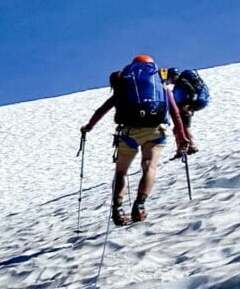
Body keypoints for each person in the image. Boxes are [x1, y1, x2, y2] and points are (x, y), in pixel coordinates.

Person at [79, 55, 195, 225]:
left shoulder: (126, 85)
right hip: (156, 131)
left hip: (129, 132)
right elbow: (175, 113)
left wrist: (89, 127)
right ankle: (139, 208)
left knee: (121, 172)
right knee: (149, 167)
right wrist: (182, 136)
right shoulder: (161, 85)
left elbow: (103, 109)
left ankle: (118, 210)